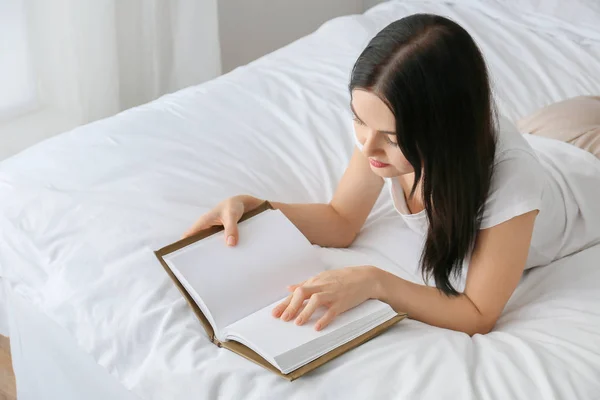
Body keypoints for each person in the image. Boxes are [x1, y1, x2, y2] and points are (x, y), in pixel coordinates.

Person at [182, 14, 600, 336]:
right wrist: (261, 209)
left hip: (585, 161)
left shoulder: (510, 183)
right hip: (546, 133)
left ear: (444, 134)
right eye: (359, 121)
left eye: (392, 138)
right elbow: (341, 220)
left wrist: (374, 282)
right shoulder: (384, 133)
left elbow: (477, 313)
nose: (366, 148)